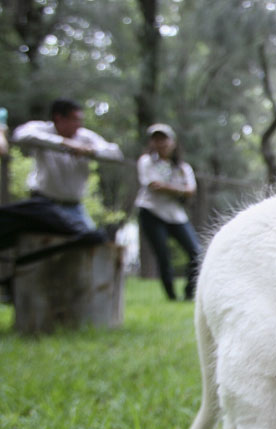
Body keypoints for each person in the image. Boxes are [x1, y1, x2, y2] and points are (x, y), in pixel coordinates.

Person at [0, 99, 122, 250]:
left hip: (74, 207)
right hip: (43, 204)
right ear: (59, 118)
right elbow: (21, 134)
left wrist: (92, 151)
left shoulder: (85, 137)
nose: (79, 124)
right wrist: (62, 142)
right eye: (75, 119)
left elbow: (115, 153)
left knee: (93, 242)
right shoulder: (42, 129)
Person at [135, 123, 201, 301]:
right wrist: (179, 189)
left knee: (196, 253)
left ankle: (189, 294)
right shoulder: (146, 162)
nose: (160, 143)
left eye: (163, 139)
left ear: (173, 142)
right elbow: (153, 185)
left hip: (176, 214)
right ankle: (171, 296)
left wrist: (168, 187)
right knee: (163, 255)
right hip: (151, 211)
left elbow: (191, 190)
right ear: (151, 143)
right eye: (156, 139)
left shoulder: (182, 167)